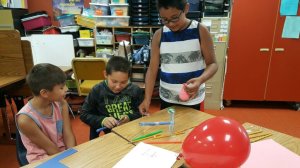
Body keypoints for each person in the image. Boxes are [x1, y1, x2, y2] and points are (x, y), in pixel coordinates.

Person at [139, 0, 218, 114]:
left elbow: (213, 64)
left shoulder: (200, 31)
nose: (170, 24)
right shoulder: (159, 35)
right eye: (165, 20)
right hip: (167, 98)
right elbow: (152, 70)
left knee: (191, 130)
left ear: (186, 8)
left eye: (175, 18)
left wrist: (200, 80)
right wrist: (147, 99)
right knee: (169, 130)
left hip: (193, 99)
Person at [16, 63, 76, 164]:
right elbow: (50, 148)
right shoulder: (25, 119)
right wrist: (67, 162)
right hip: (42, 159)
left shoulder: (61, 103)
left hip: (62, 153)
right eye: (61, 88)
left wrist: (73, 154)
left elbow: (68, 133)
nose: (66, 89)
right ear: (44, 93)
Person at [80, 56, 144, 140]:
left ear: (129, 78)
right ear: (105, 74)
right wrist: (102, 120)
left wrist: (129, 117)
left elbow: (141, 113)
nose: (118, 86)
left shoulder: (135, 90)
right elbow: (84, 114)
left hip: (131, 133)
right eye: (114, 81)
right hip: (110, 136)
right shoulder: (97, 91)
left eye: (123, 82)